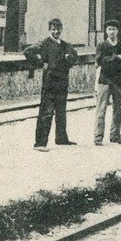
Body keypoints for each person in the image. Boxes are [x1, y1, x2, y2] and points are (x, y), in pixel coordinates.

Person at [24, 19, 78, 151]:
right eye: (53, 29)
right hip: (50, 82)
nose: (56, 31)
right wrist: (41, 63)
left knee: (61, 111)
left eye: (58, 29)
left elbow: (74, 55)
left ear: (62, 29)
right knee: (46, 112)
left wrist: (68, 59)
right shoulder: (44, 43)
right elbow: (28, 52)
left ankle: (61, 139)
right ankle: (40, 143)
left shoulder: (66, 45)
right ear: (50, 30)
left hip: (62, 81)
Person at [94, 19, 121, 145]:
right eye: (109, 29)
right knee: (101, 109)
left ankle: (115, 135)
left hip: (119, 81)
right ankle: (98, 137)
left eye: (114, 29)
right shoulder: (101, 46)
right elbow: (100, 61)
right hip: (105, 81)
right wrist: (116, 58)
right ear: (106, 31)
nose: (112, 32)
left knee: (118, 109)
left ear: (118, 31)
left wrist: (117, 59)